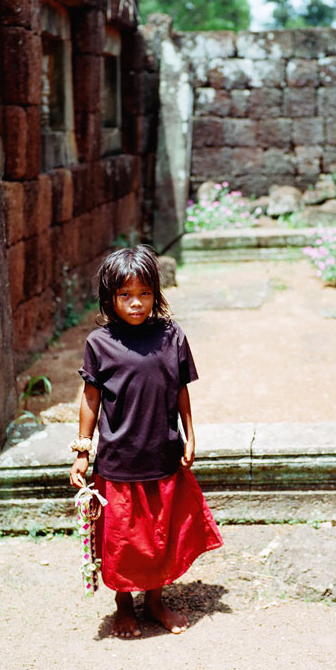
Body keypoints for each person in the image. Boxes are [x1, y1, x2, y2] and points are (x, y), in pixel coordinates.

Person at [69, 245, 223, 638]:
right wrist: (83, 450)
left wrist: (190, 434)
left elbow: (181, 388)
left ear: (156, 293)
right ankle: (124, 604)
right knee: (122, 539)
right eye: (125, 295)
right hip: (119, 460)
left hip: (162, 453)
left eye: (144, 294)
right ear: (110, 297)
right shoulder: (99, 343)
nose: (136, 303)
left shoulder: (171, 336)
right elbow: (91, 398)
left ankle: (155, 600)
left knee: (159, 535)